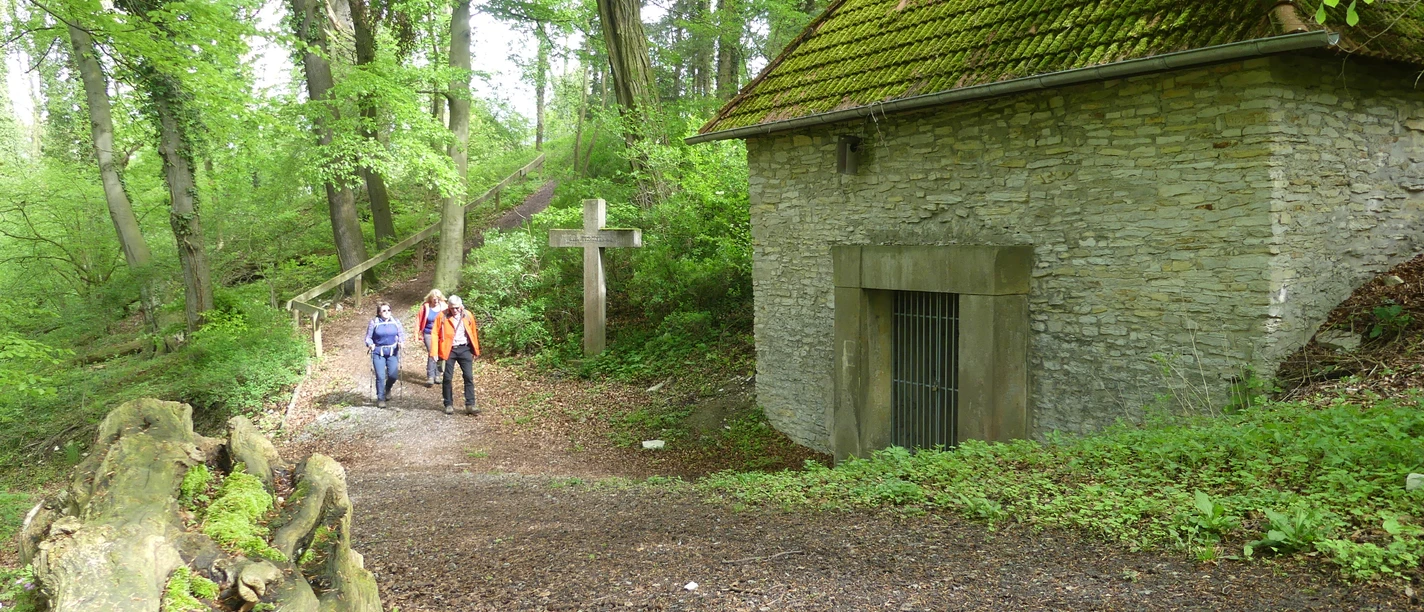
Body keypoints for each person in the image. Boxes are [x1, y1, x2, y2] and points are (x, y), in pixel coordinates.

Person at [430, 295, 481, 416]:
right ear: (448, 307)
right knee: (447, 378)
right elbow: (434, 334)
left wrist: (475, 351)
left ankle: (470, 404)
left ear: (461, 306)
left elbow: (473, 333)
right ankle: (448, 404)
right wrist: (434, 352)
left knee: (468, 376)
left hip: (464, 348)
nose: (455, 311)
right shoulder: (442, 316)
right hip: (449, 350)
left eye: (457, 308)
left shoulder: (467, 315)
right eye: (452, 308)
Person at [364, 302, 406, 409]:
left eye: (388, 310)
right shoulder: (374, 322)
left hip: (392, 352)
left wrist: (401, 342)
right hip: (378, 352)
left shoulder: (395, 322)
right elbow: (368, 337)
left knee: (393, 375)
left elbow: (401, 334)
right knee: (380, 376)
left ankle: (387, 388)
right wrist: (370, 344)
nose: (387, 312)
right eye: (384, 310)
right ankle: (381, 398)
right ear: (379, 312)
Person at [416, 289, 448, 387]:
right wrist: (416, 334)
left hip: (440, 334)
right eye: (434, 299)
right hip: (428, 333)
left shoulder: (444, 307)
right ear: (430, 298)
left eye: (438, 298)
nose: (436, 301)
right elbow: (418, 320)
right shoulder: (425, 307)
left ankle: (437, 375)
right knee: (432, 352)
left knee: (439, 353)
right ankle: (430, 376)